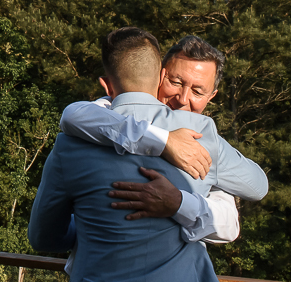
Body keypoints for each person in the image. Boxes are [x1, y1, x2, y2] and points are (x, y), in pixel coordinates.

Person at [28, 27, 267, 282]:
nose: (183, 99)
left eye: (197, 91)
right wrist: (166, 142)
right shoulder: (203, 136)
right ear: (160, 75)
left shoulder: (72, 141)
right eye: (175, 82)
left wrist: (178, 204)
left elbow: (44, 237)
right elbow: (257, 186)